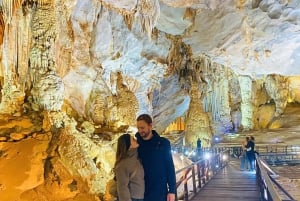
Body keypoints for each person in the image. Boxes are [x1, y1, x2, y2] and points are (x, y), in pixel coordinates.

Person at [135, 114, 176, 201]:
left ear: (150, 126)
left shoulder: (163, 143)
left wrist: (172, 190)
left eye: (142, 128)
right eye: (138, 128)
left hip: (159, 192)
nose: (140, 131)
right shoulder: (135, 146)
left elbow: (169, 167)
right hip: (141, 193)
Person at [114, 133, 145, 201]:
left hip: (141, 198)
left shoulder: (137, 158)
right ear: (129, 145)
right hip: (132, 198)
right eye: (133, 140)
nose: (135, 140)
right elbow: (122, 187)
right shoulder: (122, 164)